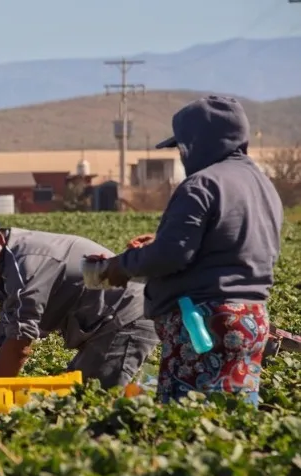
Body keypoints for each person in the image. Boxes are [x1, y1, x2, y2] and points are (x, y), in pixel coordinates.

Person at [98, 95, 283, 404]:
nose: (183, 156)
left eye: (182, 147)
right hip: (251, 321)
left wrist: (123, 265)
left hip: (204, 324)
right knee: (234, 418)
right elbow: (232, 246)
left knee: (186, 421)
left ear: (196, 143)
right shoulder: (262, 185)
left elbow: (172, 254)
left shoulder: (202, 184)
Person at [0, 212, 159, 389]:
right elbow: (7, 331)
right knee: (80, 391)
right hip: (104, 324)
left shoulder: (25, 263)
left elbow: (19, 341)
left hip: (126, 316)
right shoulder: (0, 269)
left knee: (92, 394)